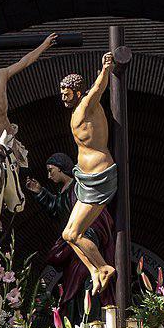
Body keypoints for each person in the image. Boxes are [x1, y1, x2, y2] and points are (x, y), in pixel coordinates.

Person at [26, 151, 116, 314]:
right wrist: (39, 191)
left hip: (83, 241)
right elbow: (58, 210)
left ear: (61, 168)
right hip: (73, 247)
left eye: (51, 170)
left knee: (85, 282)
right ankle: (79, 320)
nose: (49, 175)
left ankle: (90, 318)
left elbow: (93, 214)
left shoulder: (78, 188)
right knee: (73, 285)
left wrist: (86, 237)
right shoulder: (65, 190)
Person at [60, 55, 118, 293]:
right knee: (67, 234)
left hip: (98, 177)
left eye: (66, 93)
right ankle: (94, 270)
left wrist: (105, 69)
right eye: (61, 92)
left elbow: (97, 88)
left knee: (75, 233)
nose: (63, 97)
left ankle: (104, 267)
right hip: (85, 179)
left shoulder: (86, 104)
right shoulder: (78, 109)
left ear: (77, 92)